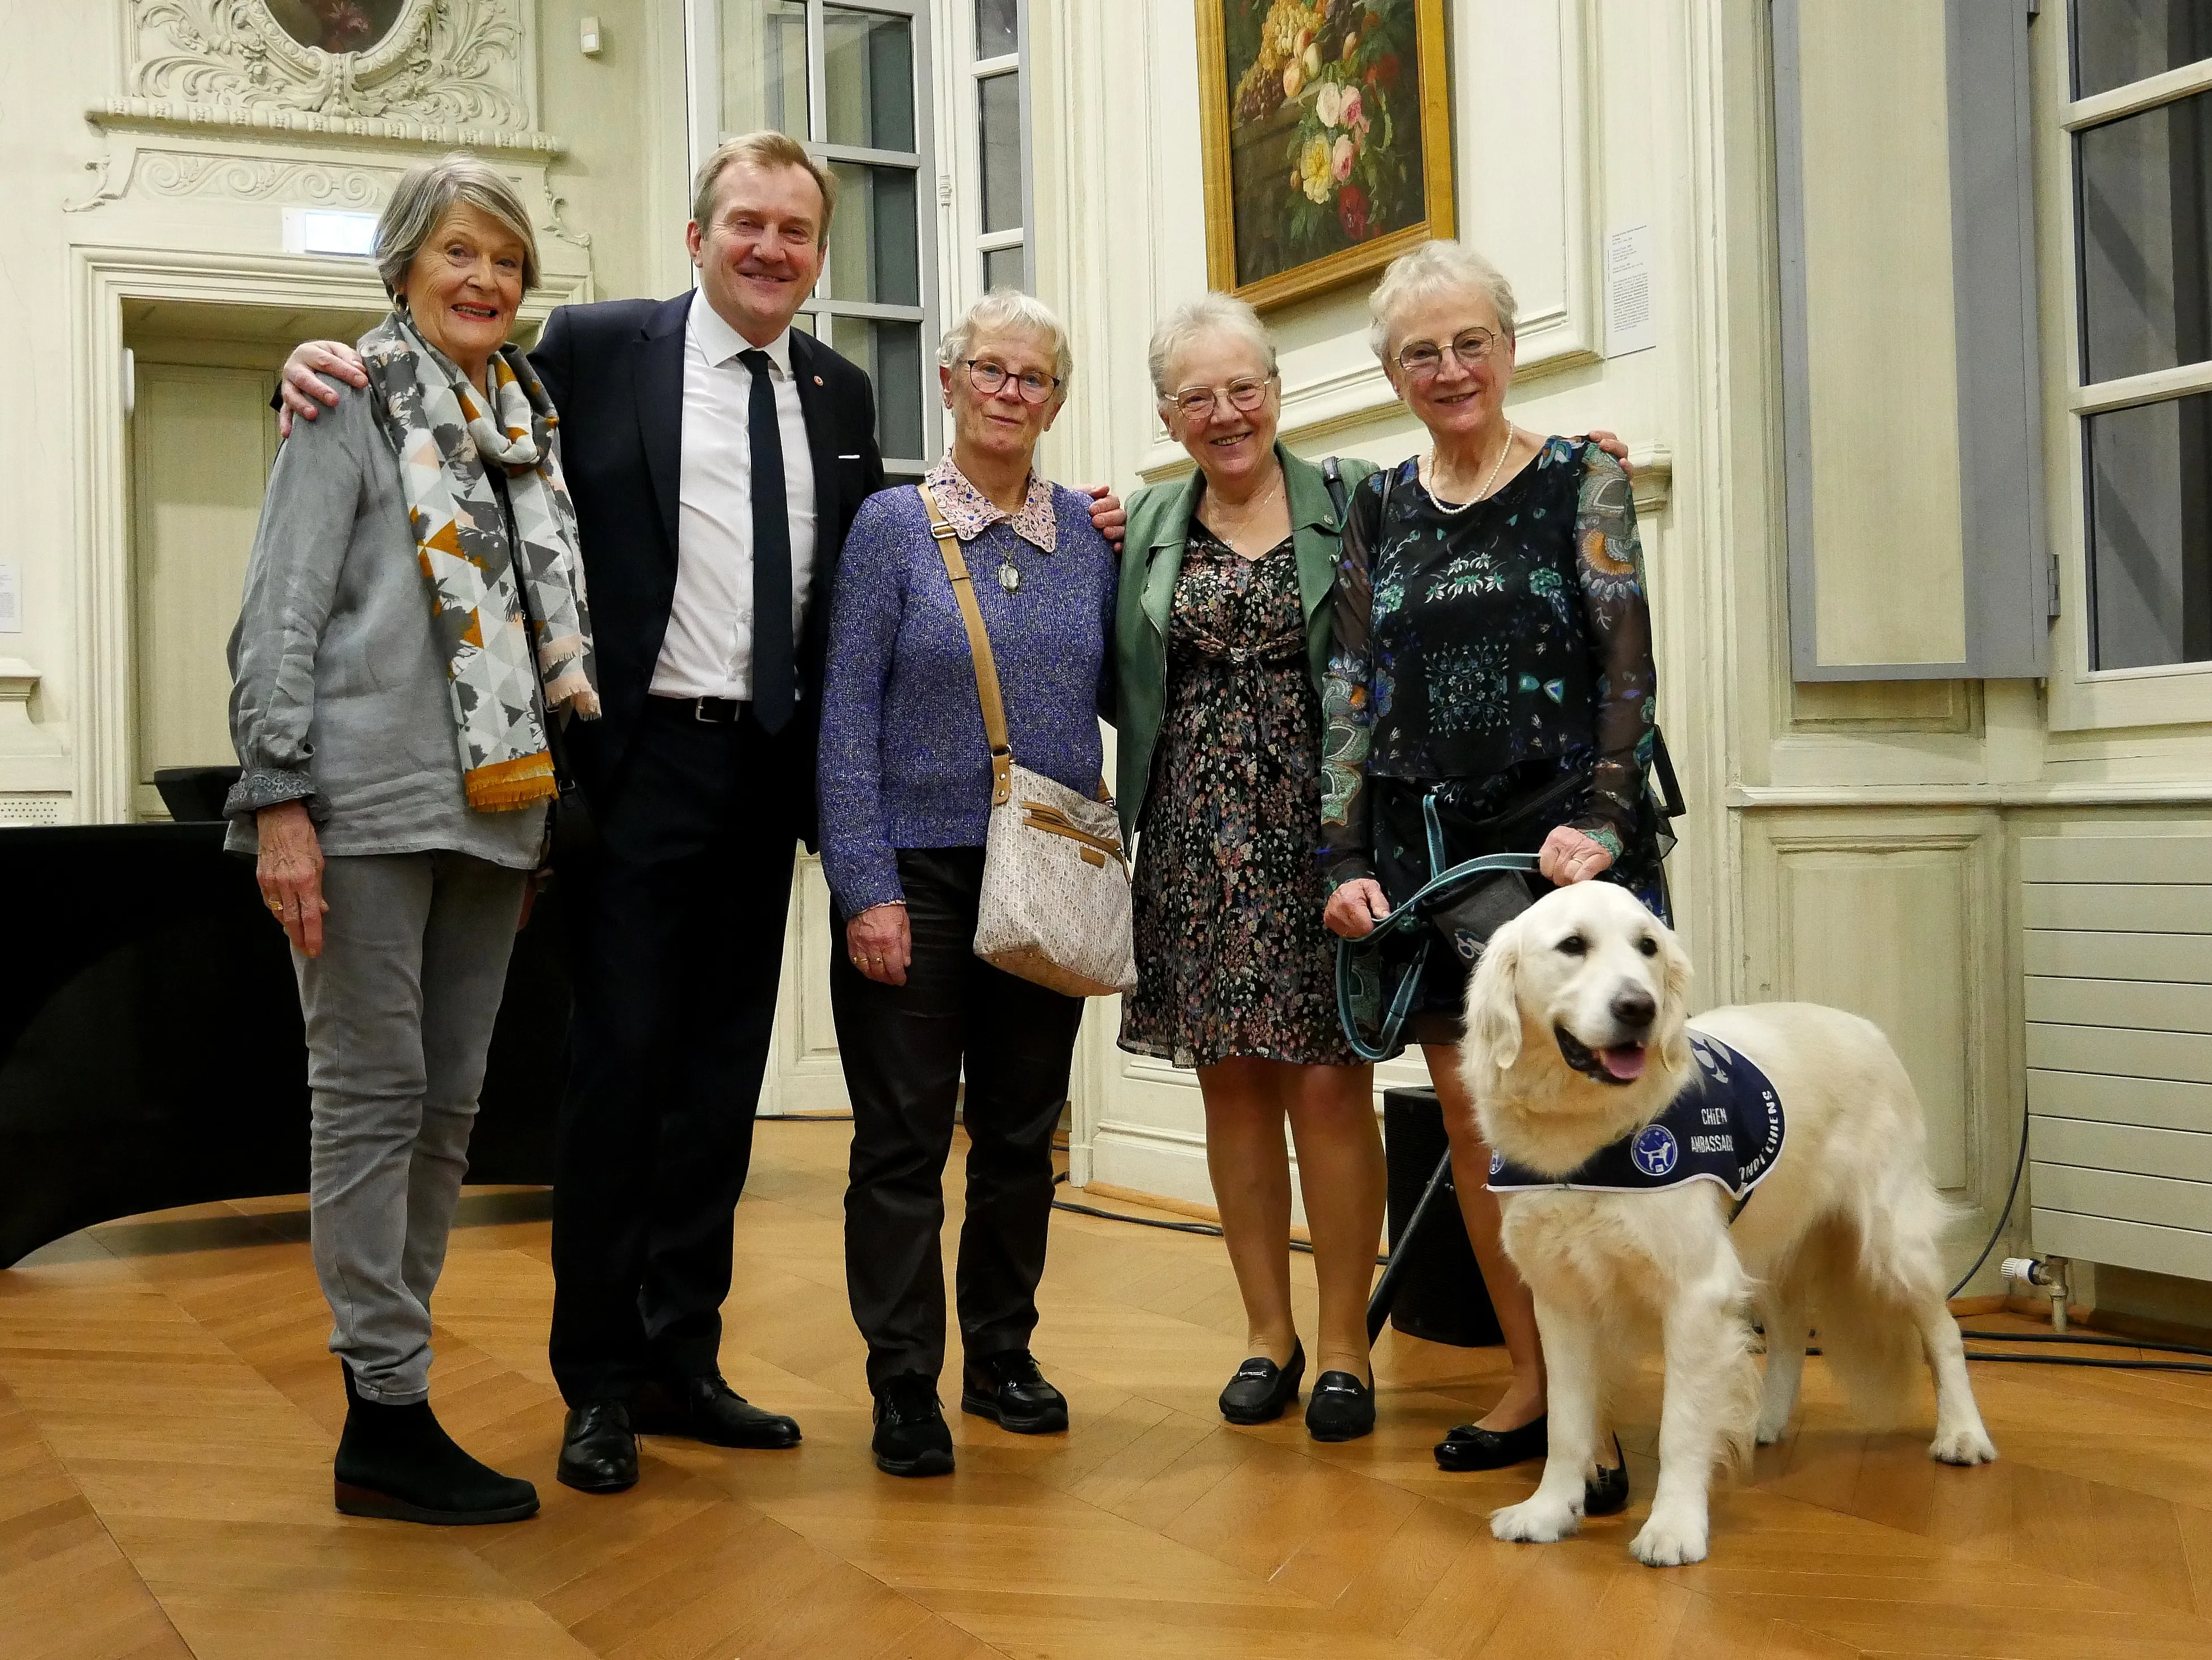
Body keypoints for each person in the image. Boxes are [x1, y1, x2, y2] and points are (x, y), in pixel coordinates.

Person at [279, 136, 1127, 1494]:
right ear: (696, 236)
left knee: (720, 1088)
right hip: (629, 765)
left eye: (798, 230)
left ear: (818, 254)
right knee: (618, 1079)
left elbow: (879, 582)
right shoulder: (600, 343)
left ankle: (684, 1359)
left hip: (765, 775)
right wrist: (313, 365)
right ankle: (597, 1383)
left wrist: (1086, 511)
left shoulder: (844, 393)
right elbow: (454, 393)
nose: (771, 249)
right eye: (748, 223)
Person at [228, 153, 597, 1525]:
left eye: (505, 259)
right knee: (374, 1102)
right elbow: (279, 611)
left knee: (448, 1112)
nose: (485, 280)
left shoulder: (527, 426)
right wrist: (278, 802)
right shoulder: (346, 400)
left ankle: (398, 1396)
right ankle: (380, 1406)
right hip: (366, 810)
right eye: (458, 253)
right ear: (401, 269)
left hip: (498, 816)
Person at [1319, 240, 1664, 1489]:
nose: (1452, 368)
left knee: (1608, 1126)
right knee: (1486, 1131)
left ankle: (1613, 1402)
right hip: (1438, 867)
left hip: (1571, 857)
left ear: (1512, 350)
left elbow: (1627, 663)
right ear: (1393, 374)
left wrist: (1609, 820)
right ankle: (1540, 1385)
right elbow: (1350, 691)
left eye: (1472, 342)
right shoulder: (1378, 505)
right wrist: (1343, 849)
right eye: (1423, 351)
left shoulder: (1582, 480)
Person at [817, 290, 1117, 1477]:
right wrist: (864, 888)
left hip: (1044, 870)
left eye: (1032, 376)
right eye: (989, 370)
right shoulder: (893, 528)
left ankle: (1000, 1357)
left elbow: (1125, 690)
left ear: (1055, 398)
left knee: (1017, 1137)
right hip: (918, 874)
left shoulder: (1091, 537)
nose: (1009, 391)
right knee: (899, 1143)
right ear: (949, 383)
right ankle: (904, 1386)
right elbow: (844, 717)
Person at [1113, 294, 1387, 1441]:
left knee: (1330, 1086)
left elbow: (1485, 507)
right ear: (1169, 413)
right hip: (1192, 833)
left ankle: (1341, 1346)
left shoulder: (1358, 499)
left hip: (1324, 831)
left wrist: (1590, 466)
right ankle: (1264, 1333)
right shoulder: (1141, 520)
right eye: (1196, 396)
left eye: (1243, 387)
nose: (1224, 413)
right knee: (1231, 1081)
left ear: (1278, 389)